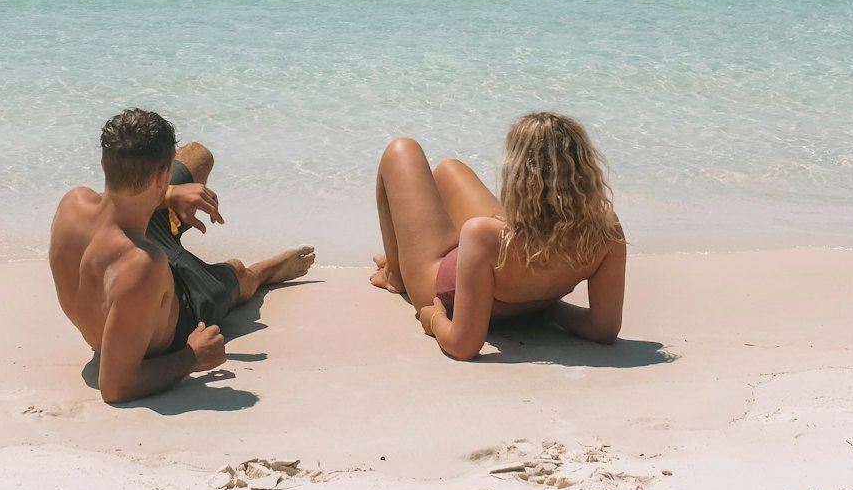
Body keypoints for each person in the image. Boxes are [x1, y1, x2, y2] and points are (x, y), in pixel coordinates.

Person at [50, 109, 315, 402]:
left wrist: (171, 194)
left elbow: (127, 205)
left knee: (198, 156)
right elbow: (115, 386)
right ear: (161, 176)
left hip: (137, 240)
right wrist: (192, 357)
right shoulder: (142, 265)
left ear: (104, 162)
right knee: (238, 272)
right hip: (180, 313)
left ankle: (176, 204)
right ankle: (264, 272)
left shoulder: (72, 205)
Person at [370, 112, 626, 360]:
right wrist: (546, 309)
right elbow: (603, 329)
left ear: (519, 173)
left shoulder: (484, 235)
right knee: (449, 170)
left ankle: (395, 275)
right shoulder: (605, 229)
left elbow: (463, 346)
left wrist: (434, 319)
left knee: (401, 150)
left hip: (442, 287)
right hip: (517, 288)